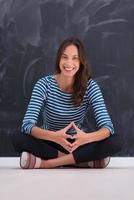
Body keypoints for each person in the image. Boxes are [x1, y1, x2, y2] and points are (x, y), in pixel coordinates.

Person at [11, 37, 121, 169]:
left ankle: (48, 163)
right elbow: (27, 125)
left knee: (117, 141)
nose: (69, 63)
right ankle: (84, 161)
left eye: (75, 58)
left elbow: (108, 128)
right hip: (49, 141)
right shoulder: (43, 84)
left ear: (81, 62)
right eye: (65, 57)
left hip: (78, 143)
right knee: (17, 138)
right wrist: (56, 137)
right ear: (59, 60)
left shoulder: (91, 87)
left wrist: (86, 138)